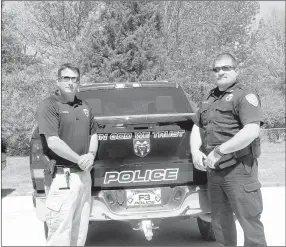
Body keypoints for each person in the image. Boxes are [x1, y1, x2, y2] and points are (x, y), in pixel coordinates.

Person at [190, 53, 267, 246]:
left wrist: (219, 151)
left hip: (239, 169)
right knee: (221, 223)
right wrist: (194, 151)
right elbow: (197, 126)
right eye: (216, 69)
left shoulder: (245, 96)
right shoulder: (209, 98)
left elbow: (251, 131)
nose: (220, 72)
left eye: (225, 68)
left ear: (236, 70)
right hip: (214, 172)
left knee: (249, 221)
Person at [37, 63, 98, 246]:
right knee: (60, 234)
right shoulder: (49, 105)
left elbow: (93, 133)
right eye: (66, 78)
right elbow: (53, 142)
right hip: (63, 178)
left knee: (80, 232)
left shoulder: (84, 106)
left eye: (74, 79)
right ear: (58, 81)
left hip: (84, 177)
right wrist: (80, 159)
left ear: (78, 82)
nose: (71, 83)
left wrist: (91, 154)